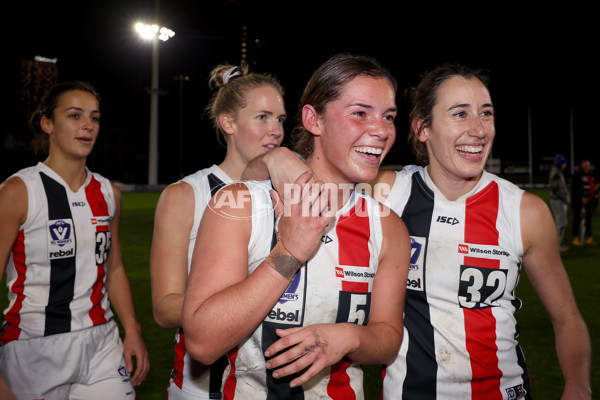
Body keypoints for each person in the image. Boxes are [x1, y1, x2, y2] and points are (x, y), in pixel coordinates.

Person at [251, 63, 592, 400]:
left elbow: (566, 317)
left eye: (486, 114)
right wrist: (275, 157)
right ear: (422, 128)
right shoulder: (385, 192)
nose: (478, 129)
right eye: (460, 114)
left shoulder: (525, 211)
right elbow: (289, 170)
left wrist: (578, 385)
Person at [181, 53, 410, 399]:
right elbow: (202, 341)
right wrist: (288, 253)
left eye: (388, 117)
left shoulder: (388, 227)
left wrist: (350, 338)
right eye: (360, 113)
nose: (380, 130)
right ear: (313, 120)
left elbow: (388, 338)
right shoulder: (240, 205)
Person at [0, 81, 150, 399]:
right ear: (47, 124)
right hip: (34, 348)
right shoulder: (17, 192)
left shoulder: (110, 193)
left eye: (94, 117)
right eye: (74, 115)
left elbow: (116, 267)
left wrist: (132, 329)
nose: (87, 125)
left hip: (102, 342)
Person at [150, 64, 287, 399]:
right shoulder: (186, 195)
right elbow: (165, 306)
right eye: (263, 117)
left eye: (281, 119)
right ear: (228, 122)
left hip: (272, 386)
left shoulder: (290, 194)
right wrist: (246, 303)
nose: (276, 130)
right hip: (201, 389)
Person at [571, 158, 598, 246]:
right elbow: (575, 189)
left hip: (589, 202)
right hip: (579, 202)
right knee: (578, 219)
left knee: (588, 220)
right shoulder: (577, 175)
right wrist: (581, 197)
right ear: (581, 166)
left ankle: (589, 238)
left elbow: (594, 188)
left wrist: (595, 201)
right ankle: (575, 238)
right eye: (585, 166)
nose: (587, 167)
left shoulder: (591, 175)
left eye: (588, 165)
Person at [549, 153, 570, 252]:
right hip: (558, 201)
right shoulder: (556, 174)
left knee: (560, 223)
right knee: (561, 224)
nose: (565, 165)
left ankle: (556, 245)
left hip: (557, 201)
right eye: (564, 163)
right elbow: (558, 190)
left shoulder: (556, 172)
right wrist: (566, 199)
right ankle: (557, 247)